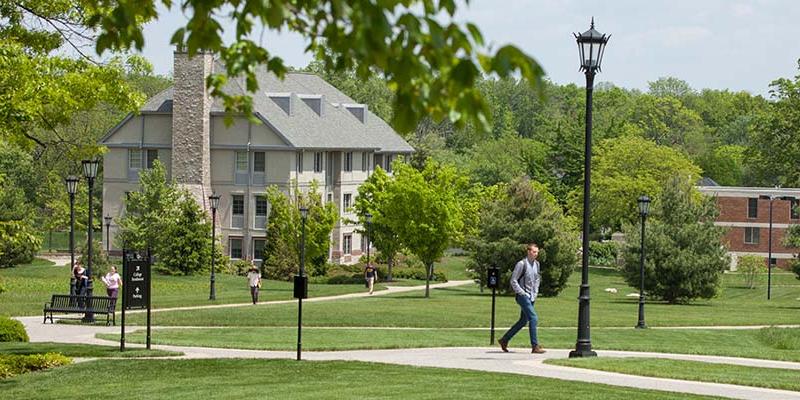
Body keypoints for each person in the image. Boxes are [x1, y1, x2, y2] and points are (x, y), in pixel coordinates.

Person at [498, 242, 546, 354]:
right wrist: (522, 293)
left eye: (537, 252)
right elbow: (513, 280)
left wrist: (536, 291)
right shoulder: (521, 264)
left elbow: (537, 278)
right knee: (533, 318)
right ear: (528, 252)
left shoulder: (537, 264)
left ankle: (504, 340)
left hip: (532, 296)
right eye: (534, 252)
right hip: (523, 296)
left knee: (523, 321)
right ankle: (535, 346)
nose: (536, 254)